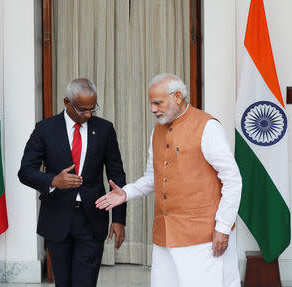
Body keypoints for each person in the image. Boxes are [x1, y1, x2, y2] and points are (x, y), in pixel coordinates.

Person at [96, 73, 242, 287]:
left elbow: (233, 180)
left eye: (157, 103)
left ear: (177, 97)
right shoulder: (157, 131)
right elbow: (152, 178)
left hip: (202, 236)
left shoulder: (207, 126)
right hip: (165, 235)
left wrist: (223, 227)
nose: (153, 109)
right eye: (151, 104)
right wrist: (126, 193)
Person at [18, 78, 127, 287]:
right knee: (63, 283)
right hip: (57, 217)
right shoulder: (45, 129)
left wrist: (119, 218)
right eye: (82, 109)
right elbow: (25, 172)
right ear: (67, 102)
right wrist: (53, 180)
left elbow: (117, 176)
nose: (88, 115)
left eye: (92, 109)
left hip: (92, 220)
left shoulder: (104, 130)